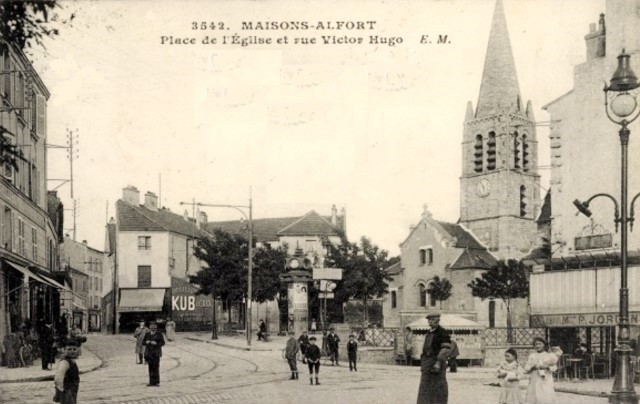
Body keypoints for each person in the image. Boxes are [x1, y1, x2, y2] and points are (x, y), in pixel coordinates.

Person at [416, 313, 452, 404]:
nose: (430, 322)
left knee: (438, 386)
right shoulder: (429, 333)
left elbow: (445, 349)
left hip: (437, 362)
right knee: (425, 386)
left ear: (438, 320)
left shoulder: (442, 332)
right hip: (427, 362)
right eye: (429, 320)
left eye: (432, 320)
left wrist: (438, 363)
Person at [523, 338, 559, 403]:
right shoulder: (532, 356)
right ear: (534, 346)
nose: (538, 346)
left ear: (544, 345)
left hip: (545, 378)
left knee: (545, 394)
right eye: (536, 344)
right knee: (535, 394)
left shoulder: (548, 355)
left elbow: (554, 367)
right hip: (535, 377)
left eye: (540, 344)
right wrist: (532, 368)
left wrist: (546, 367)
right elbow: (526, 367)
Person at [54, 339, 80, 404]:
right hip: (67, 392)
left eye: (74, 349)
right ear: (64, 350)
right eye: (69, 349)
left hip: (72, 391)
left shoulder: (71, 361)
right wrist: (62, 392)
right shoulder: (64, 362)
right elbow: (58, 378)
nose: (72, 351)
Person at [142, 321, 165, 386]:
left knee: (156, 367)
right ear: (149, 327)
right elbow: (143, 342)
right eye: (151, 326)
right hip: (149, 353)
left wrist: (156, 343)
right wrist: (146, 342)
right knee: (150, 367)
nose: (152, 327)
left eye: (154, 326)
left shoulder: (159, 334)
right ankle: (151, 382)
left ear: (156, 326)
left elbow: (163, 343)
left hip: (156, 353)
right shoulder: (147, 334)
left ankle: (156, 382)